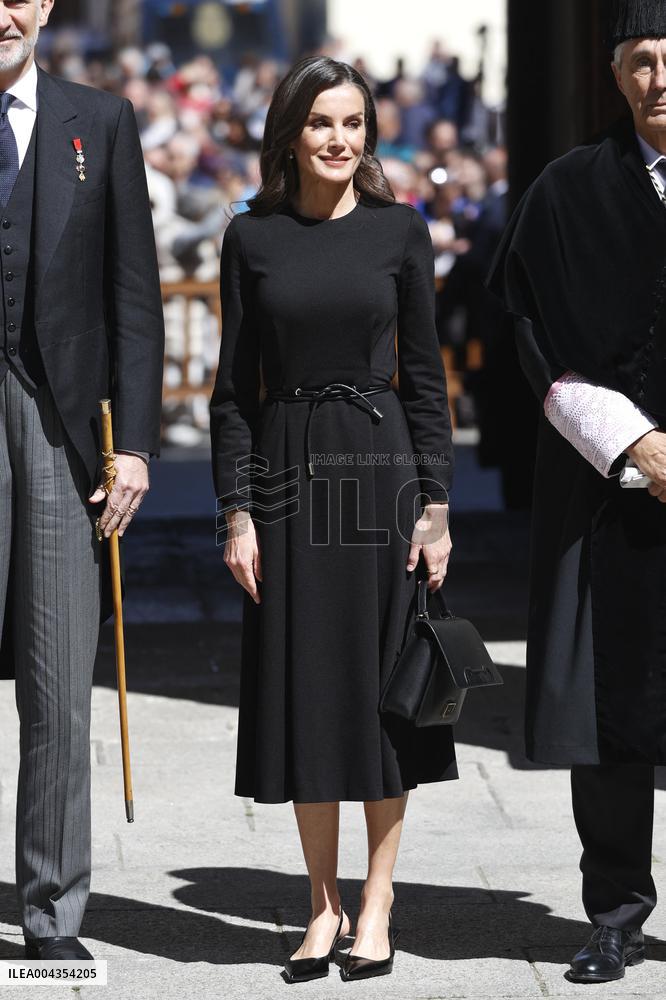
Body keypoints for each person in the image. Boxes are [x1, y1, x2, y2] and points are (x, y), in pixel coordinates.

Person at [210, 55, 455, 983]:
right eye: (322, 123)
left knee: (382, 689)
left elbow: (427, 380)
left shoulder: (402, 230)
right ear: (291, 133)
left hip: (381, 468)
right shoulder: (252, 238)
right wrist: (238, 511)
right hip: (284, 473)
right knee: (309, 689)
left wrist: (435, 506)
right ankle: (321, 903)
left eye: (354, 123)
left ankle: (379, 899)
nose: (340, 140)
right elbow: (232, 393)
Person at [487, 0, 666, 984]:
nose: (660, 77)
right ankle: (616, 911)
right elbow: (533, 338)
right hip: (615, 498)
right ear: (615, 74)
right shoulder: (568, 192)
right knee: (615, 722)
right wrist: (638, 444)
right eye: (642, 60)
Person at [0, 0, 164, 960]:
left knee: (59, 683)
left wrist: (135, 443)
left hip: (62, 432)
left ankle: (52, 914)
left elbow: (133, 295)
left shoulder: (97, 123)